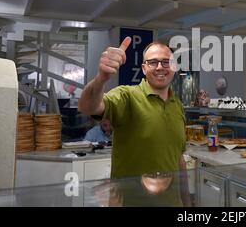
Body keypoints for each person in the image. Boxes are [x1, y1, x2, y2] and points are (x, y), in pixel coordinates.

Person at [78, 38, 190, 206]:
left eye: (166, 62)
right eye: (153, 62)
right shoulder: (127, 96)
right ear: (144, 68)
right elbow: (88, 106)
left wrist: (186, 202)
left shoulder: (178, 105)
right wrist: (101, 78)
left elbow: (179, 159)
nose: (160, 67)